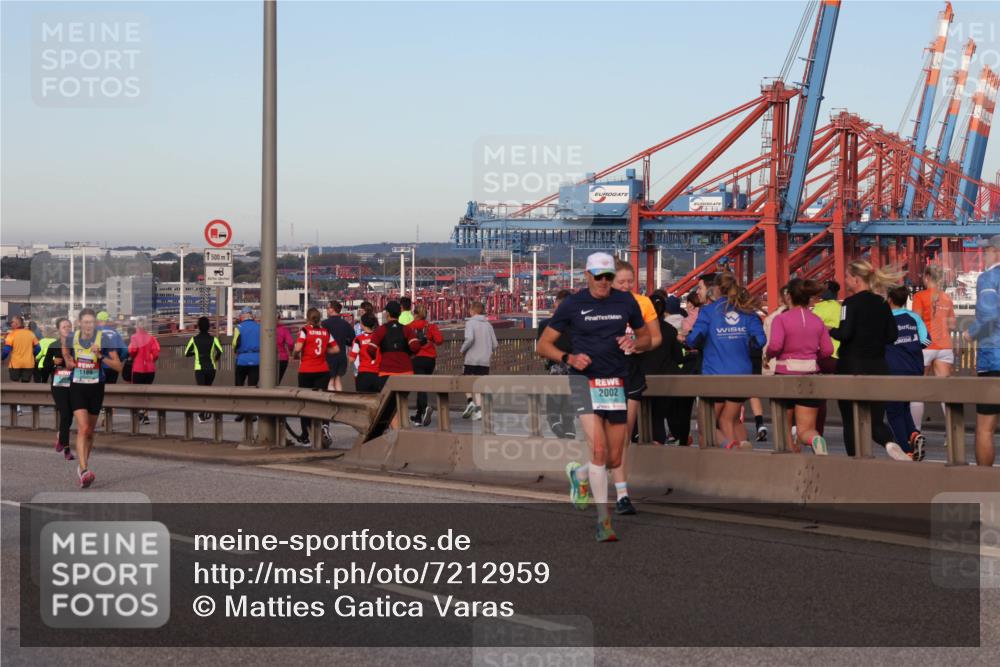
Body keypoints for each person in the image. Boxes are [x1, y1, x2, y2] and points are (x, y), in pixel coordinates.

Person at [537, 251, 652, 542]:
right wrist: (568, 358)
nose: (604, 282)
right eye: (598, 276)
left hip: (615, 381)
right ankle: (604, 521)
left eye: (608, 277)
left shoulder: (625, 301)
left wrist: (634, 342)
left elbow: (647, 338)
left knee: (614, 458)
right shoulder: (573, 304)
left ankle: (581, 476)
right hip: (582, 380)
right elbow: (543, 345)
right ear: (586, 275)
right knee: (599, 451)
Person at [830, 260, 907, 460]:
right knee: (875, 421)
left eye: (847, 277)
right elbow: (892, 335)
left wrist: (831, 330)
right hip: (878, 366)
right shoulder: (882, 303)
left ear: (856, 279)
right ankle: (890, 443)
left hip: (851, 366)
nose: (845, 281)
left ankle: (855, 463)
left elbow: (845, 334)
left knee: (850, 421)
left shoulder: (849, 303)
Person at [686, 273, 766, 449]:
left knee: (706, 425)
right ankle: (742, 448)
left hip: (716, 375)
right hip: (741, 374)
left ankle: (731, 447)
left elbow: (694, 339)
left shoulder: (708, 311)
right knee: (728, 420)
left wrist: (693, 341)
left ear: (715, 289)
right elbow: (760, 340)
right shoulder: (747, 311)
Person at [610, 259, 662, 515]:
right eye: (622, 282)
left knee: (624, 437)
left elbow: (656, 339)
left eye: (630, 281)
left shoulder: (643, 303)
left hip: (632, 372)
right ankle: (585, 473)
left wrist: (635, 345)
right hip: (605, 374)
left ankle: (622, 495)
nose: (627, 286)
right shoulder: (601, 305)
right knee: (601, 440)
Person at [764, 279, 834, 455]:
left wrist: (768, 356)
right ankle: (816, 440)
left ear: (789, 296)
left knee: (785, 428)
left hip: (785, 375)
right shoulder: (817, 321)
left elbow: (775, 346)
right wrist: (812, 357)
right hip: (810, 375)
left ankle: (791, 462)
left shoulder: (781, 319)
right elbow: (828, 350)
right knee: (806, 430)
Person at [61, 308, 123, 488]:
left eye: (91, 322)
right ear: (80, 323)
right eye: (85, 322)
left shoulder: (104, 339)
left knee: (90, 432)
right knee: (84, 427)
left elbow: (118, 366)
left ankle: (82, 468)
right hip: (78, 386)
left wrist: (100, 356)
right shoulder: (72, 337)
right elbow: (65, 351)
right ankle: (85, 469)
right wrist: (68, 360)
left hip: (96, 387)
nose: (88, 326)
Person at [966, 234, 1000, 466]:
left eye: (986, 251)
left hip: (994, 361)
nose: (984, 255)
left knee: (985, 429)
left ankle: (985, 485)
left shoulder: (988, 278)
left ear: (996, 251)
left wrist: (971, 333)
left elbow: (989, 314)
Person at [885, 285, 929, 461]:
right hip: (914, 369)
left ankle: (906, 450)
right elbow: (926, 340)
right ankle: (913, 434)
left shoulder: (885, 319)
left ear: (889, 299)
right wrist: (910, 348)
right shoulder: (914, 317)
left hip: (893, 369)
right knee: (904, 406)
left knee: (894, 410)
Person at [910, 264, 957, 428]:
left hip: (925, 347)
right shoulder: (947, 298)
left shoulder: (919, 296)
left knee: (917, 391)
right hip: (945, 347)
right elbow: (952, 325)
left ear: (927, 278)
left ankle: (915, 433)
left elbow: (916, 321)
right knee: (945, 392)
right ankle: (951, 433)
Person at [644, 295, 688, 447]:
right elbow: (678, 357)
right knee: (659, 418)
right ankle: (659, 447)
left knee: (641, 418)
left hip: (643, 379)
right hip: (665, 379)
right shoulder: (670, 330)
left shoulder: (640, 330)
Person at [370, 301, 421, 428]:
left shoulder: (381, 330)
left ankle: (398, 434)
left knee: (390, 407)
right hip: (406, 371)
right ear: (399, 314)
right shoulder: (406, 329)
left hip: (387, 372)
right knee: (402, 402)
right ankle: (405, 430)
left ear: (387, 314)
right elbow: (415, 346)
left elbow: (371, 349)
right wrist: (408, 353)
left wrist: (376, 355)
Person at [293, 307, 339, 447]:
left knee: (305, 402)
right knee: (321, 401)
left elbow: (298, 348)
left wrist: (295, 355)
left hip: (307, 370)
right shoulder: (325, 332)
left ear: (308, 318)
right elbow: (336, 349)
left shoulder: (305, 331)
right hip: (322, 370)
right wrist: (325, 351)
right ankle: (324, 426)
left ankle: (306, 434)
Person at [537, 289, 576, 439]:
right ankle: (569, 429)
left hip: (555, 367)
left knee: (553, 404)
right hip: (573, 368)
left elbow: (541, 351)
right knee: (569, 402)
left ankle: (556, 425)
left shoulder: (545, 324)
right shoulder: (576, 326)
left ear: (556, 303)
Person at [811, 280, 842, 435]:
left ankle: (818, 432)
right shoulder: (841, 308)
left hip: (822, 356)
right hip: (839, 356)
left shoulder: (817, 309)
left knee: (820, 398)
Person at [43, 318, 75, 461]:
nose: (67, 329)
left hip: (74, 383)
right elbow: (44, 367)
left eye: (69, 326)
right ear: (58, 330)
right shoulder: (53, 345)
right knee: (66, 414)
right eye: (64, 327)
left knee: (70, 416)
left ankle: (61, 437)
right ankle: (66, 448)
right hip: (59, 383)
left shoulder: (76, 345)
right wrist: (52, 362)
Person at [460, 302, 498, 421]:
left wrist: (462, 349)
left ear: (472, 311)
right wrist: (488, 351)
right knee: (479, 385)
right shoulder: (488, 325)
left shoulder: (470, 323)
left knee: (466, 381)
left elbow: (470, 338)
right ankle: (478, 411)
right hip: (484, 361)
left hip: (472, 359)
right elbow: (495, 344)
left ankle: (470, 402)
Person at [409, 303, 444, 426]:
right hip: (430, 360)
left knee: (420, 386)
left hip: (416, 358)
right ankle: (419, 416)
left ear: (415, 314)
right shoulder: (431, 326)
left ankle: (425, 408)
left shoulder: (410, 327)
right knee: (422, 386)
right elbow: (439, 341)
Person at [184, 316, 224, 423]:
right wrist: (215, 359)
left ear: (198, 327)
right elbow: (220, 350)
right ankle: (207, 410)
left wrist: (196, 353)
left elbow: (186, 353)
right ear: (208, 327)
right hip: (211, 369)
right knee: (208, 389)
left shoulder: (194, 339)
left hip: (199, 369)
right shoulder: (213, 339)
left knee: (202, 391)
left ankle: (202, 414)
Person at [322, 301, 356, 392]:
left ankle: (331, 401)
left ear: (332, 309)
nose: (327, 310)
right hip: (341, 356)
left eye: (328, 308)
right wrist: (343, 341)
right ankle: (339, 399)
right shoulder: (345, 324)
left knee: (330, 380)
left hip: (329, 356)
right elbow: (352, 339)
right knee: (338, 379)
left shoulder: (324, 324)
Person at [349, 313, 382, 393]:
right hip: (379, 373)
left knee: (362, 400)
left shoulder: (358, 339)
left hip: (364, 373)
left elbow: (351, 359)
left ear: (362, 325)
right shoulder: (380, 337)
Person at [95, 311, 127, 386]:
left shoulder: (94, 332)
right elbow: (125, 350)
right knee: (111, 390)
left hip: (99, 367)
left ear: (98, 321)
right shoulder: (115, 332)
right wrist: (120, 359)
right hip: (113, 367)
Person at [276, 314, 294, 384]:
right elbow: (290, 343)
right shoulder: (284, 329)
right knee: (277, 380)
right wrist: (291, 353)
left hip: (266, 359)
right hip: (282, 358)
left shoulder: (262, 329)